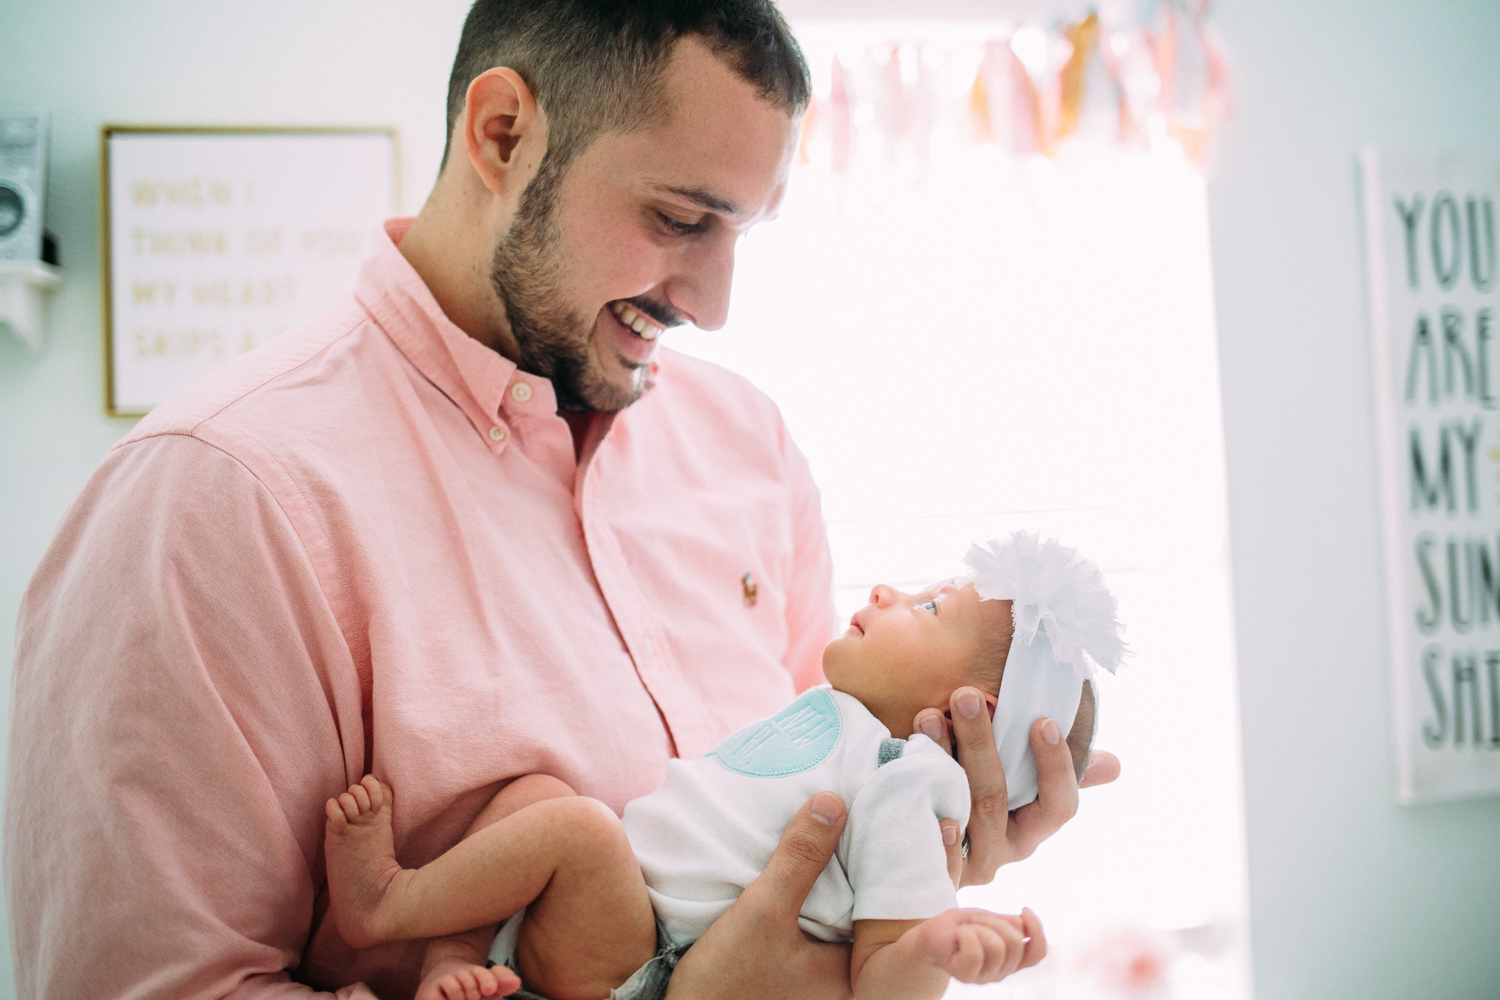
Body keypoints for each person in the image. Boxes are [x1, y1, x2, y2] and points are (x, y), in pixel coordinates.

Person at [5, 4, 1118, 999]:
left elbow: (802, 829)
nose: (717, 303)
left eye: (743, 232)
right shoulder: (211, 502)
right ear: (502, 134)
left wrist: (922, 853)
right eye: (683, 219)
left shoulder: (752, 448)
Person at [318, 534, 1125, 1000]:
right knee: (538, 796)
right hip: (621, 915)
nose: (885, 590)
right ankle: (454, 959)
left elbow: (879, 976)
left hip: (650, 959)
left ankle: (386, 904)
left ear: (966, 708)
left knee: (572, 827)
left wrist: (938, 944)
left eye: (925, 609)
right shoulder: (848, 724)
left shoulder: (910, 779)